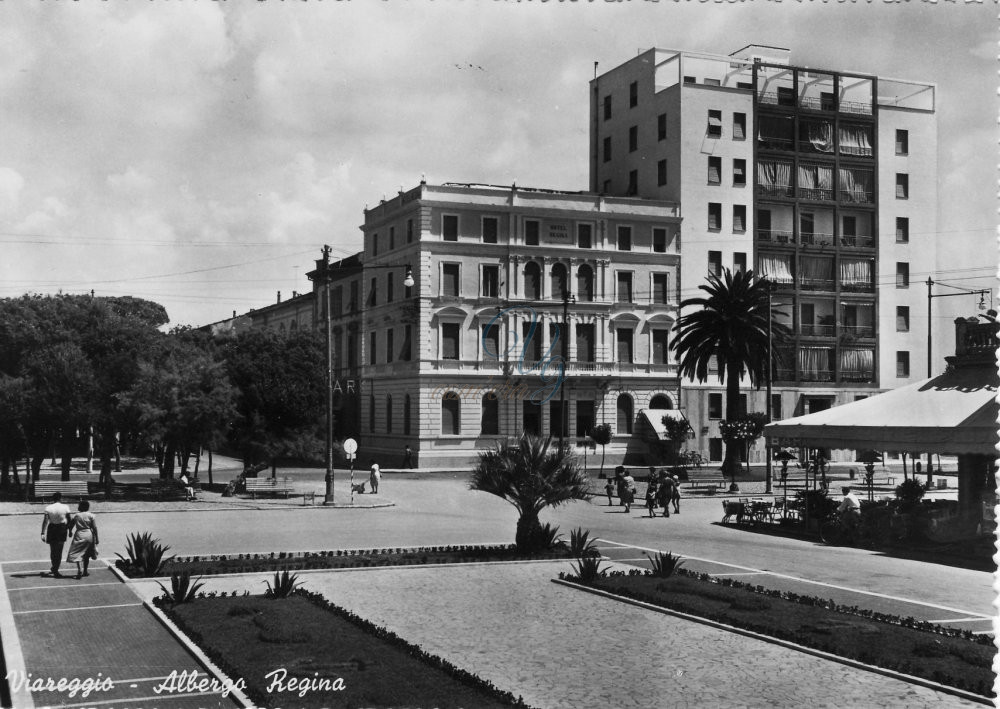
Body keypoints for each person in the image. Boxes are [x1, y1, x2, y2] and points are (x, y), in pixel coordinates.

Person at [41, 492, 71, 578]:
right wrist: (70, 530)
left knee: (53, 550)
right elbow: (69, 519)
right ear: (60, 498)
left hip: (52, 529)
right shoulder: (65, 507)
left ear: (53, 499)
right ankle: (56, 569)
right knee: (59, 551)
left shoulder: (48, 508)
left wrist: (42, 533)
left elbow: (45, 521)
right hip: (62, 529)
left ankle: (54, 567)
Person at [66, 500, 99, 579]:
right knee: (87, 554)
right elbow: (94, 528)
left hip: (79, 534)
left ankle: (79, 569)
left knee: (77, 553)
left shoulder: (77, 515)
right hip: (89, 534)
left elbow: (71, 525)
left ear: (80, 507)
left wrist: (70, 532)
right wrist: (97, 538)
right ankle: (85, 571)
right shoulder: (91, 515)